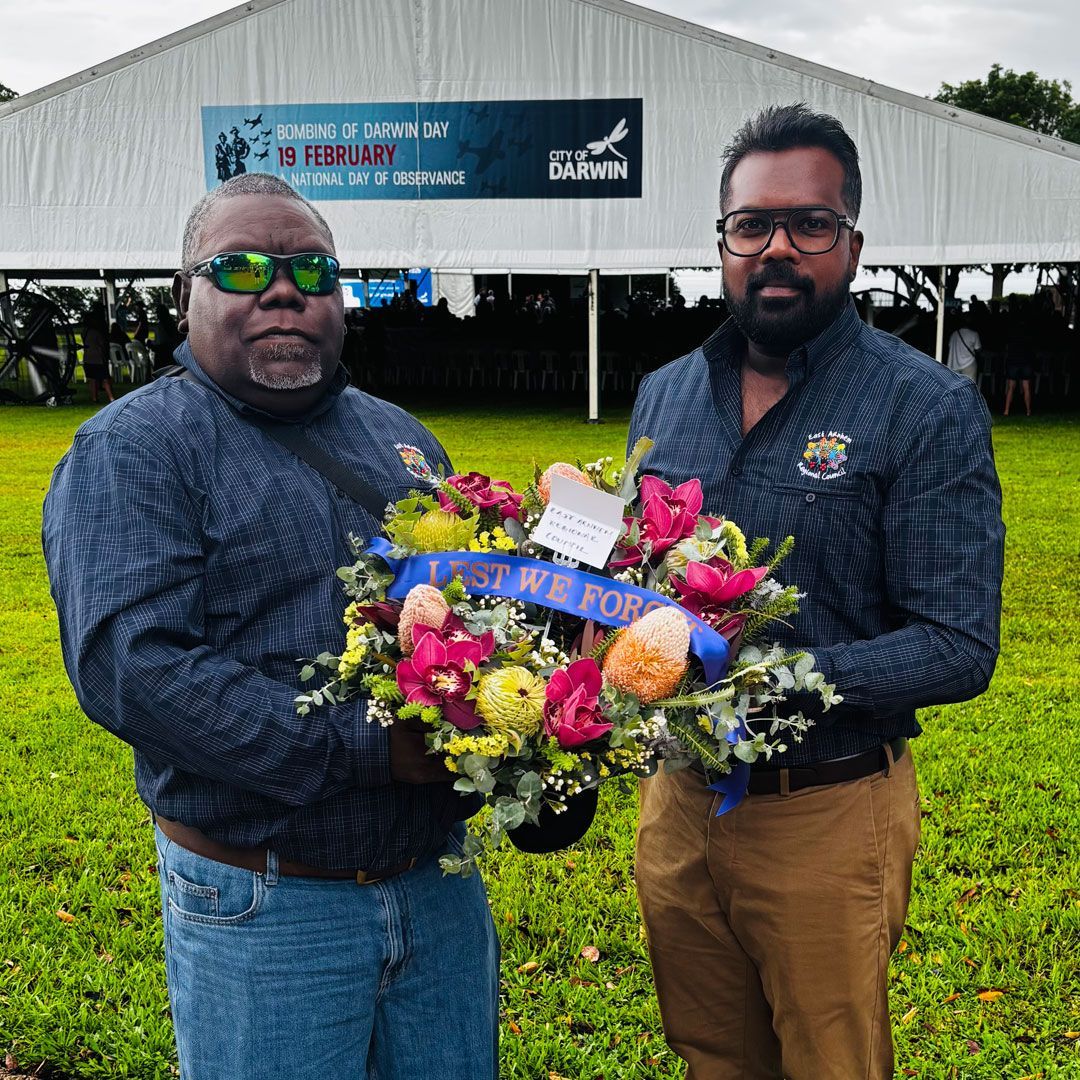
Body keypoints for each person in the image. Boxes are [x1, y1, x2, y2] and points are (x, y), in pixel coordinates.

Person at [42, 174, 499, 1080]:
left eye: (313, 270)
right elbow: (134, 667)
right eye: (243, 267)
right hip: (266, 903)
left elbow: (469, 621)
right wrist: (372, 747)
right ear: (187, 296)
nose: (283, 289)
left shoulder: (404, 441)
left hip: (435, 890)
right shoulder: (134, 448)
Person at [629, 104, 1004, 1080]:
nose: (778, 249)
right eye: (752, 226)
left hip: (826, 814)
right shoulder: (664, 393)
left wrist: (762, 679)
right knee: (711, 1054)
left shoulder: (923, 408)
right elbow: (632, 574)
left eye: (811, 225)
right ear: (723, 241)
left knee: (832, 1066)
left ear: (854, 242)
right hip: (679, 805)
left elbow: (959, 644)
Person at [81, 302, 114, 403]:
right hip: (98, 358)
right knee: (105, 378)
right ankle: (111, 397)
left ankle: (94, 398)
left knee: (92, 379)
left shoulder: (84, 332)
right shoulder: (97, 332)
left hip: (88, 357)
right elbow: (102, 344)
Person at [946, 312, 981, 380]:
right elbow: (978, 348)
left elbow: (949, 346)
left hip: (954, 364)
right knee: (969, 387)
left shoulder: (954, 334)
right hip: (969, 363)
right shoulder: (974, 334)